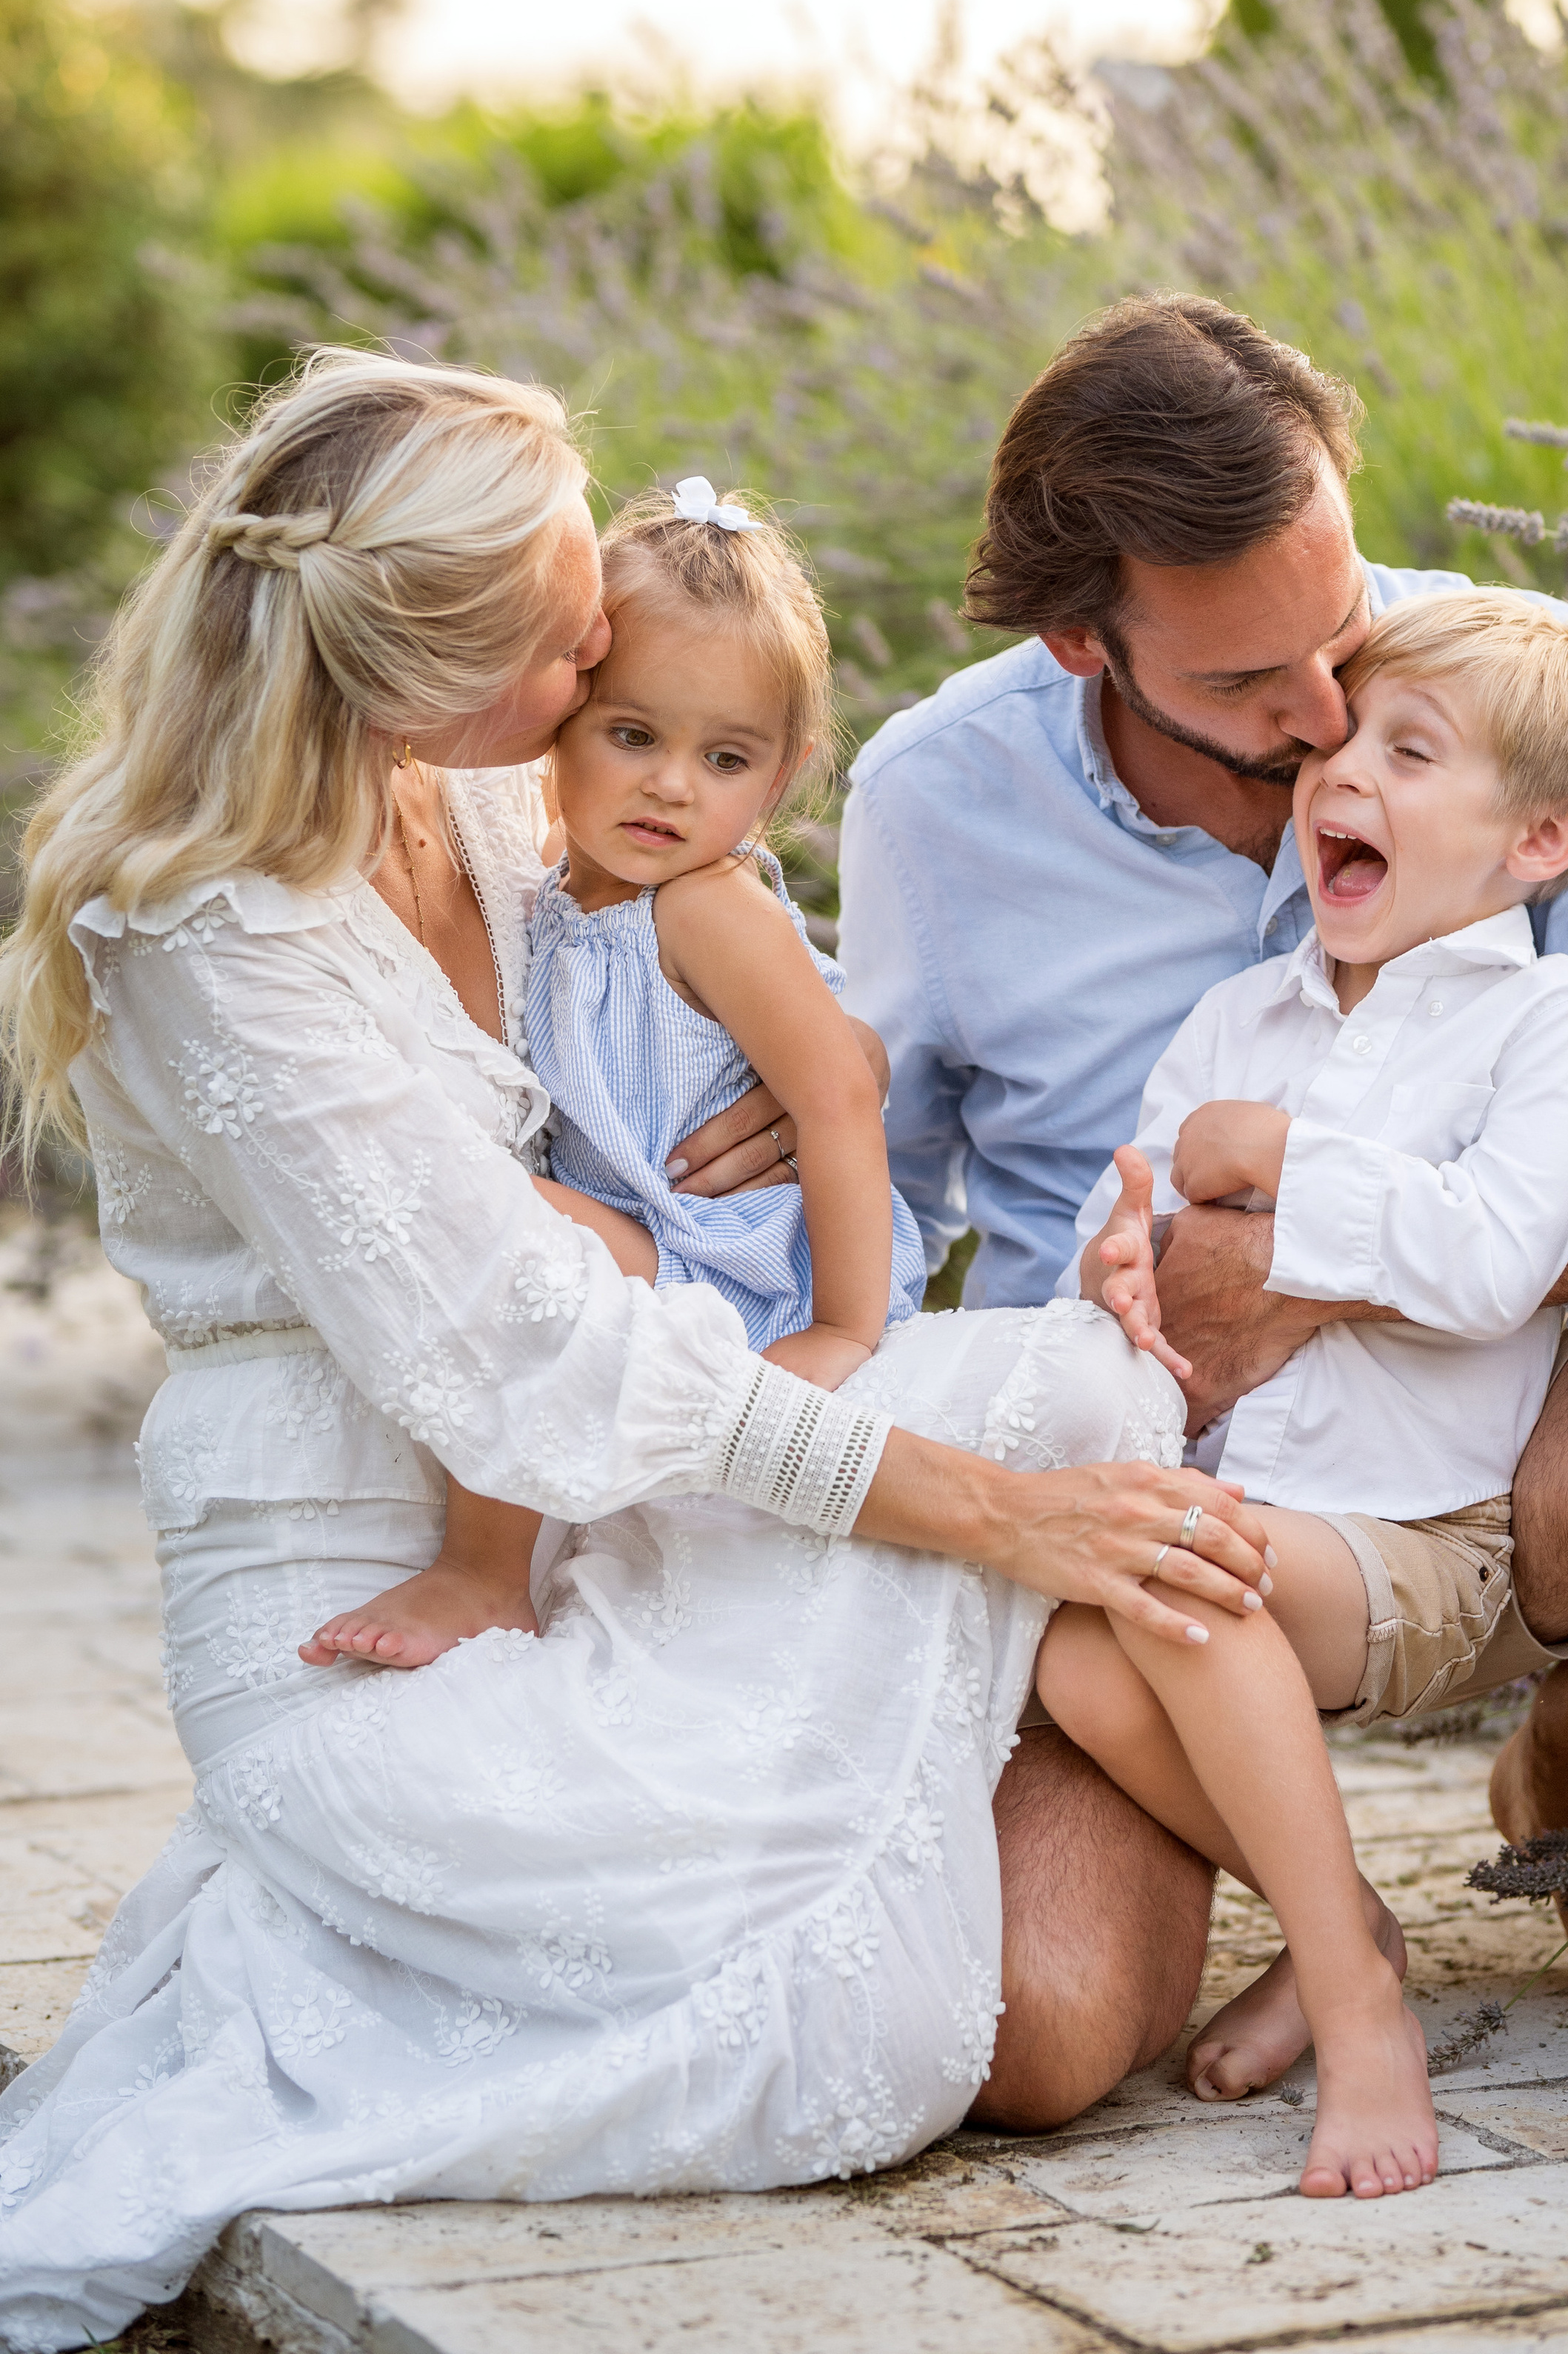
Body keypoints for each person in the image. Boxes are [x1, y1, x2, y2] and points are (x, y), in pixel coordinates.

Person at [0, 350, 1264, 2353]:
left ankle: (1108, 1790)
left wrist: (790, 1076)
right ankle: (1069, 1769)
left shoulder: (496, 789)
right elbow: (517, 1344)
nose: (609, 636)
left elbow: (710, 971)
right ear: (432, 677)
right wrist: (973, 1513)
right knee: (940, 2019)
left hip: (628, 1493)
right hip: (386, 1615)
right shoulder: (209, 928)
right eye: (570, 634)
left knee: (1081, 1383)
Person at [839, 291, 1568, 2112]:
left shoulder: (1536, 691)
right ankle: (1326, 1913)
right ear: (1090, 646)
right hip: (1158, 1483)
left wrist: (1318, 1276)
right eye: (1253, 689)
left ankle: (1559, 1786)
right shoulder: (937, 801)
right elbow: (877, 1186)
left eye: (1339, 636)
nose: (1329, 719)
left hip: (1494, 1447)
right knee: (1031, 2037)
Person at [1044, 589, 1568, 2124]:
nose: (1341, 777)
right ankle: (1341, 1925)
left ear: (1538, 842)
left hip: (1420, 1541)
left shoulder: (1543, 1017)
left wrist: (1287, 1161)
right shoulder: (1238, 1015)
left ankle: (1358, 1998)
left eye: (1410, 752)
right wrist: (1117, 1280)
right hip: (1236, 1536)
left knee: (1180, 1575)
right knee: (1070, 1644)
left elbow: (1495, 1261)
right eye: (1339, 743)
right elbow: (1127, 1253)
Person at [298, 479, 926, 1670]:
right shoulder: (554, 890)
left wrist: (845, 1326)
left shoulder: (705, 906)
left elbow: (838, 1091)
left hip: (735, 1255)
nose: (673, 785)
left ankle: (484, 1576)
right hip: (658, 1233)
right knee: (520, 1234)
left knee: (514, 1225)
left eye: (725, 757)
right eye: (633, 735)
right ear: (559, 727)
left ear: (785, 772)